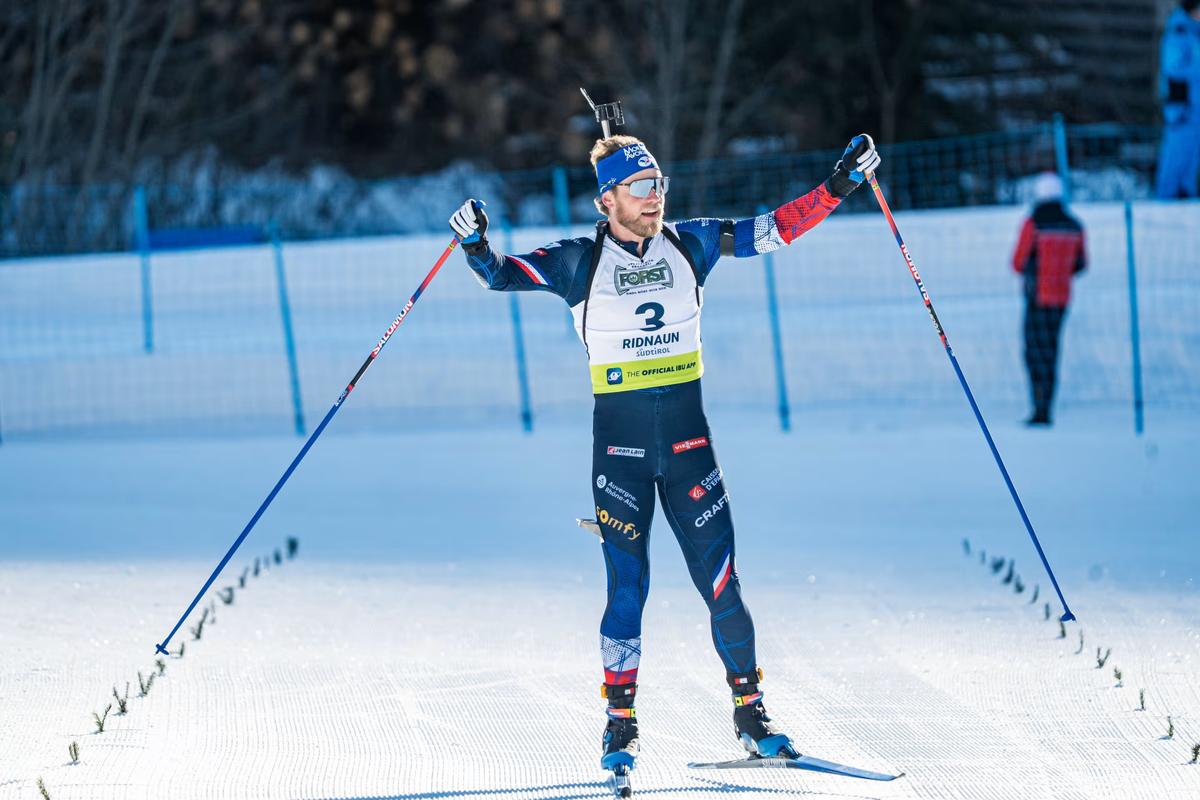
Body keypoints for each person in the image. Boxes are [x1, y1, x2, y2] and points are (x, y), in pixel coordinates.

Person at [448, 133, 880, 774]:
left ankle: (751, 715)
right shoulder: (578, 263)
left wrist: (838, 187)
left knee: (724, 586)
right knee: (627, 592)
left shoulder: (691, 243)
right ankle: (618, 728)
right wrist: (474, 242)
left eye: (660, 186)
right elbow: (501, 275)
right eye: (641, 189)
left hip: (690, 451)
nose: (656, 200)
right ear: (607, 200)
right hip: (618, 457)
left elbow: (772, 231)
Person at [1011, 172, 1087, 426]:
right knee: (1052, 352)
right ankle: (1047, 406)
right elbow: (1081, 263)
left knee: (1034, 353)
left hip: (1037, 298)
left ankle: (1039, 408)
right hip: (1062, 299)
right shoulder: (1075, 225)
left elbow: (1018, 262)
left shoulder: (1033, 223)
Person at [1156, 0, 1200, 199]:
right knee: (1176, 156)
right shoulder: (1179, 32)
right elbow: (1173, 69)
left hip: (1194, 106)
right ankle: (1168, 197)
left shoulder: (1192, 31)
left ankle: (1185, 193)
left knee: (1192, 157)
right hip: (1183, 107)